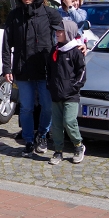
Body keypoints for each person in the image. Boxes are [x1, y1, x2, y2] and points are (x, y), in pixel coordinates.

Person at [2, 0, 64, 157]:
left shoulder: (49, 13)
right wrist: (7, 67)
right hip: (22, 69)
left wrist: (77, 45)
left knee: (47, 106)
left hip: (44, 68)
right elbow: (6, 43)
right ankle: (29, 140)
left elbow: (64, 34)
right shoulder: (14, 15)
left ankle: (42, 135)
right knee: (27, 107)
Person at [47, 19, 87, 165]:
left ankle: (78, 145)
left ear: (68, 33)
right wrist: (50, 85)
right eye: (56, 31)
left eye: (60, 31)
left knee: (69, 121)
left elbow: (81, 73)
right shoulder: (55, 50)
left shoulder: (76, 51)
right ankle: (58, 151)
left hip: (71, 95)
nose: (57, 33)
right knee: (56, 125)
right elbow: (49, 70)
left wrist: (72, 88)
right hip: (56, 94)